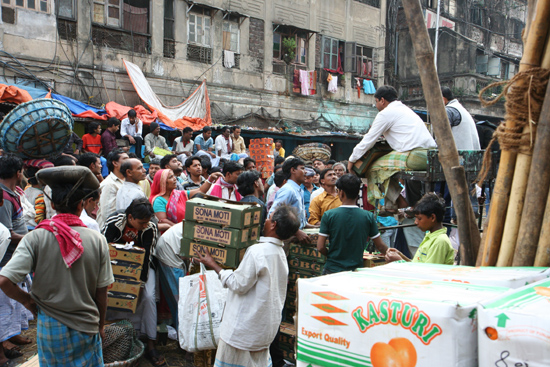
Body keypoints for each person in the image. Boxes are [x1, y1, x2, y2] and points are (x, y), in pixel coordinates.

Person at [0, 166, 113, 367]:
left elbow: (4, 280)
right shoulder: (97, 239)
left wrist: (27, 301)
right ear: (81, 205)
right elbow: (101, 291)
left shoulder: (35, 237)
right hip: (86, 325)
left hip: (50, 326)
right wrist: (101, 325)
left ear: (52, 204)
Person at [196, 204, 301, 367]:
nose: (265, 221)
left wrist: (214, 265)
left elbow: (238, 284)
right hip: (264, 330)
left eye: (269, 217)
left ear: (273, 225)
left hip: (243, 330)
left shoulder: (257, 252)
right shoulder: (280, 254)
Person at [347, 85, 437, 209]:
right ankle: (409, 203)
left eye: (376, 101)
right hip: (431, 156)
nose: (376, 105)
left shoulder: (386, 113)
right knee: (396, 171)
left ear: (382, 100)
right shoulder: (405, 109)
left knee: (372, 168)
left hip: (416, 156)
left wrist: (351, 160)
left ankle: (396, 201)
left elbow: (368, 140)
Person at [102, 198, 165, 366]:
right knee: (108, 293)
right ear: (130, 217)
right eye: (142, 222)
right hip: (113, 265)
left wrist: (139, 284)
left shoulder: (150, 227)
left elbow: (146, 257)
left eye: (147, 222)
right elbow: (103, 249)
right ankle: (109, 334)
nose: (145, 225)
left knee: (149, 296)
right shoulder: (114, 222)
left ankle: (150, 341)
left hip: (142, 265)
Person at [317, 174, 388, 275]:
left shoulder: (329, 215)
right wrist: (396, 257)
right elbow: (380, 246)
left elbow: (320, 247)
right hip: (355, 270)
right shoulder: (367, 216)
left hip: (332, 269)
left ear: (341, 193)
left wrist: (331, 256)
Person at [0, 154, 31, 364]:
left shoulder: (12, 193)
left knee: (15, 297)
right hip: (6, 254)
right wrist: (31, 238)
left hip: (16, 252)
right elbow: (6, 233)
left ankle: (12, 334)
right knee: (5, 299)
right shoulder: (3, 198)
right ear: (18, 172)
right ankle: (4, 341)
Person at [385, 193, 455, 265]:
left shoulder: (440, 241)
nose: (416, 222)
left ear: (432, 218)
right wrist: (400, 255)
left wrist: (399, 261)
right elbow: (417, 265)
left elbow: (428, 272)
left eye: (419, 219)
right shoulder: (429, 235)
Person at [150, 169, 223, 232]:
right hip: (171, 235)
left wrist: (210, 179)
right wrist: (183, 229)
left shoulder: (179, 194)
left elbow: (200, 190)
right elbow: (163, 220)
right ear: (163, 182)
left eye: (174, 176)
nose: (175, 179)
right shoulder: (159, 200)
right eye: (170, 177)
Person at [269, 158, 316, 243]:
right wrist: (296, 232)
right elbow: (273, 214)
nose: (305, 172)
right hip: (286, 239)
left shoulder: (298, 189)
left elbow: (299, 219)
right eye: (302, 168)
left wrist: (313, 227)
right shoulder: (288, 190)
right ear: (293, 170)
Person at [96, 149, 129, 229]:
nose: (129, 162)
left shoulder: (126, 181)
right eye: (125, 159)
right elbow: (108, 215)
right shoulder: (109, 184)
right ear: (115, 163)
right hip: (112, 232)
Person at [441, 86, 481, 150]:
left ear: (443, 99)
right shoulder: (460, 108)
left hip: (459, 156)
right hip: (471, 155)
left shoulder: (448, 110)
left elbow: (442, 136)